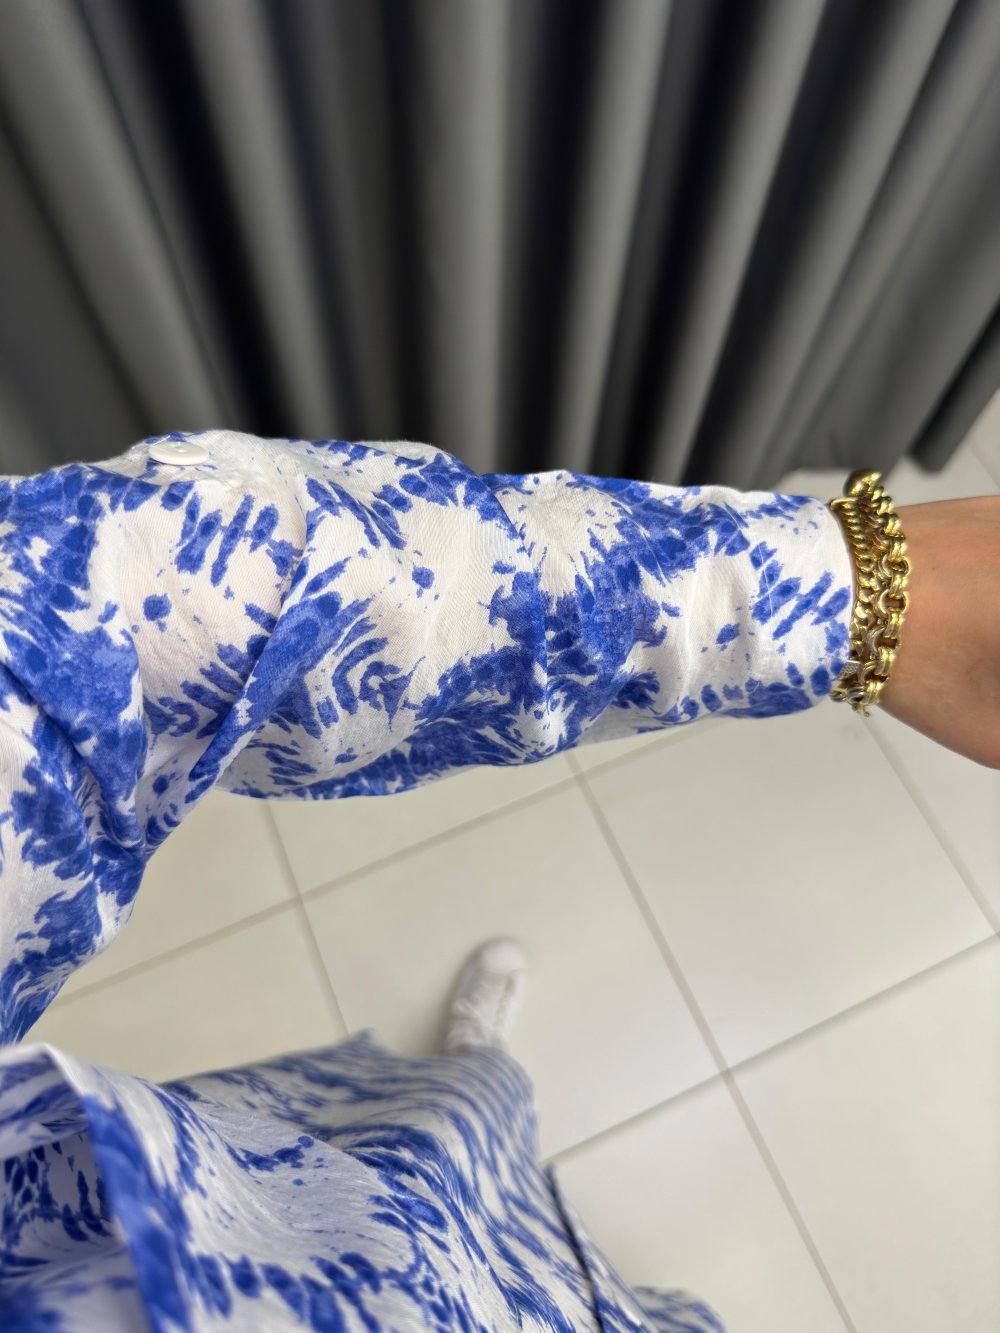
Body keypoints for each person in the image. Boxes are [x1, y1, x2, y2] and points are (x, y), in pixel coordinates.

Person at [0, 428, 995, 1330]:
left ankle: (474, 1077)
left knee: (445, 1126)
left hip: (267, 1208)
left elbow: (116, 609)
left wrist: (841, 591)